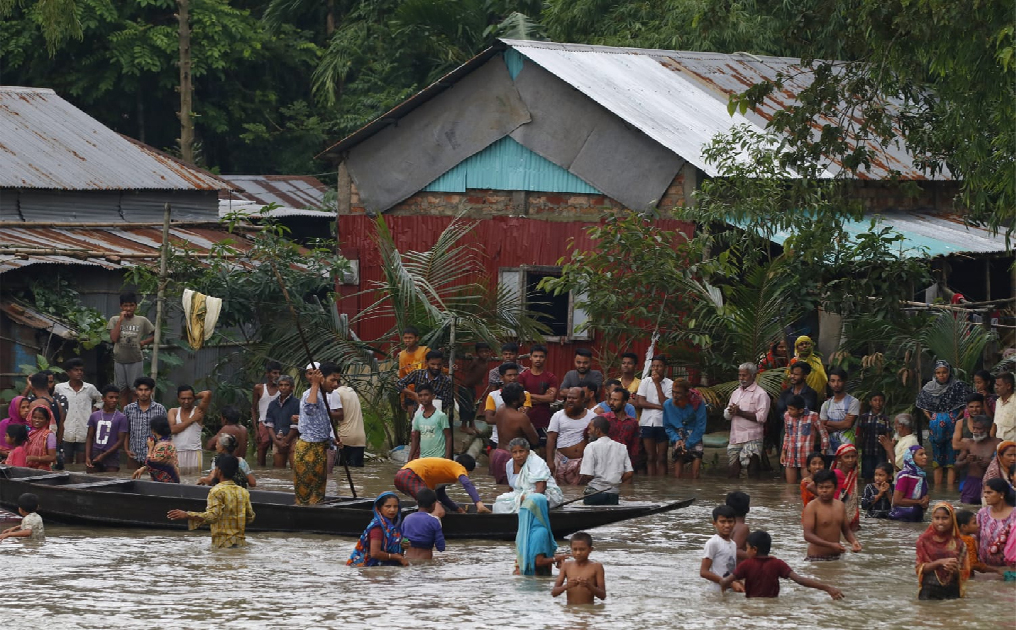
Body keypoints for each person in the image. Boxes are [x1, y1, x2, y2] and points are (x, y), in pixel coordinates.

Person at [719, 530, 843, 599]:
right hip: (773, 605)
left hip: (752, 606)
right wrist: (827, 588)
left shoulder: (746, 564)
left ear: (754, 549)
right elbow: (800, 580)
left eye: (747, 548)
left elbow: (725, 581)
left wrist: (723, 594)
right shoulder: (777, 563)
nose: (746, 551)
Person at [167, 454, 255, 548]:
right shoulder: (243, 492)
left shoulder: (216, 491)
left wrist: (187, 515)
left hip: (223, 544)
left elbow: (212, 516)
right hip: (240, 544)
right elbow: (250, 517)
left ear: (219, 471)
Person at [918, 360, 976, 487]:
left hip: (953, 428)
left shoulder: (958, 386)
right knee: (937, 460)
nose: (942, 375)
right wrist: (931, 418)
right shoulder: (929, 387)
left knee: (952, 459)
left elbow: (966, 404)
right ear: (935, 374)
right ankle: (938, 490)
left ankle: (949, 490)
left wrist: (956, 418)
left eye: (944, 372)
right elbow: (922, 404)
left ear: (949, 372)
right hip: (935, 430)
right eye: (938, 373)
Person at [294, 363, 341, 506]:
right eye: (332, 380)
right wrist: (315, 384)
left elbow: (319, 424)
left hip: (321, 448)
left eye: (337, 381)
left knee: (318, 494)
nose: (336, 385)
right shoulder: (310, 394)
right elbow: (310, 409)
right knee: (304, 495)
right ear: (322, 379)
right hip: (308, 450)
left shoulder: (324, 395)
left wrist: (332, 440)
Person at [394, 454, 490, 514]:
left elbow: (441, 496)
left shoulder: (445, 470)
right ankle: (422, 532)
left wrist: (457, 509)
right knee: (439, 511)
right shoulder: (458, 466)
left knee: (428, 506)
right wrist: (479, 504)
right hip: (410, 476)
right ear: (467, 470)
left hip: (402, 476)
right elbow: (466, 483)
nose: (466, 475)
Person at [107, 291, 155, 406]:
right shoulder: (114, 320)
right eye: (125, 306)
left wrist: (144, 342)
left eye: (131, 305)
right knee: (122, 391)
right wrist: (120, 320)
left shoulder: (142, 320)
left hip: (136, 360)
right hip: (120, 360)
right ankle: (124, 416)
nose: (128, 308)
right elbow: (114, 338)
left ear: (136, 306)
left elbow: (155, 334)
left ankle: (134, 414)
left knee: (135, 390)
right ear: (121, 306)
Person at [802, 469, 862, 560]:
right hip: (816, 558)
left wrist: (854, 542)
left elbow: (846, 530)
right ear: (816, 488)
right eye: (821, 487)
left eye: (828, 487)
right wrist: (831, 545)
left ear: (836, 487)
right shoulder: (812, 507)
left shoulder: (840, 506)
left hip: (836, 557)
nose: (824, 491)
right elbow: (807, 535)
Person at [492, 437, 564, 513]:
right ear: (511, 453)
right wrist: (517, 498)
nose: (518, 455)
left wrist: (530, 500)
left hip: (544, 494)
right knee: (499, 501)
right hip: (521, 494)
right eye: (515, 452)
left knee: (527, 502)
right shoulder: (509, 465)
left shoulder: (536, 461)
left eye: (521, 451)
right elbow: (512, 488)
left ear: (528, 452)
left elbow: (541, 487)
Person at [724, 362, 770, 479]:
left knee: (752, 471)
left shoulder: (761, 394)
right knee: (733, 472)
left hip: (752, 437)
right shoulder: (736, 393)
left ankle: (753, 495)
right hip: (735, 437)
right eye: (740, 375)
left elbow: (762, 418)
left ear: (754, 375)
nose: (741, 378)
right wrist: (730, 412)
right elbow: (728, 414)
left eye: (745, 375)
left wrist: (740, 412)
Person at [916, 502, 971, 599]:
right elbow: (919, 569)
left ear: (952, 519)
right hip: (929, 591)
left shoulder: (959, 543)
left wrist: (954, 570)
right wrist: (939, 563)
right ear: (932, 519)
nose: (940, 522)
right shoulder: (923, 540)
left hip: (951, 591)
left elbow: (964, 573)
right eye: (937, 518)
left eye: (945, 518)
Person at [54, 358, 102, 465]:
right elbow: (52, 401)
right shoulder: (59, 388)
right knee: (66, 462)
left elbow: (101, 400)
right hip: (66, 431)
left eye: (81, 370)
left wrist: (95, 410)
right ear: (68, 372)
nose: (79, 372)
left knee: (82, 462)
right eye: (76, 370)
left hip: (84, 430)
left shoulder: (89, 388)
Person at [490, 383, 539, 484]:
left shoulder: (501, 409)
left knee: (501, 490)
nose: (525, 398)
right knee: (515, 490)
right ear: (514, 401)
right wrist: (527, 420)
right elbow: (535, 440)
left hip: (498, 454)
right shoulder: (521, 418)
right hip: (512, 458)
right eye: (522, 396)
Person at [579, 416, 633, 505]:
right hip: (613, 494)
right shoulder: (621, 447)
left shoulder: (591, 447)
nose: (588, 432)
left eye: (590, 429)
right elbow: (629, 473)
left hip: (595, 493)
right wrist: (614, 481)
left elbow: (588, 475)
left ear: (598, 430)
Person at [547, 387, 596, 485]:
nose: (570, 400)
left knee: (580, 491)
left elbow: (596, 440)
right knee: (562, 491)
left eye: (574, 398)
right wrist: (550, 462)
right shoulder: (558, 416)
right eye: (568, 398)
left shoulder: (592, 417)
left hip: (583, 462)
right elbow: (551, 439)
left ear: (582, 399)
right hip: (561, 461)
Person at [347, 492, 408, 567]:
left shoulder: (395, 527)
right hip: (371, 568)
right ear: (379, 508)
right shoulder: (377, 528)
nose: (392, 510)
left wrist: (402, 546)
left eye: (395, 506)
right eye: (388, 506)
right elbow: (375, 553)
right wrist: (398, 557)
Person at [636, 356, 673, 477]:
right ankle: (651, 484)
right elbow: (640, 402)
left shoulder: (669, 384)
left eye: (659, 366)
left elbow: (665, 404)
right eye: (654, 366)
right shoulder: (645, 382)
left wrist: (657, 384)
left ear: (665, 368)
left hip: (663, 423)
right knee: (650, 456)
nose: (656, 369)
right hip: (647, 423)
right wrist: (658, 407)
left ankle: (662, 483)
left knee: (662, 457)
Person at [663, 379, 708, 479]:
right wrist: (677, 439)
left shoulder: (698, 404)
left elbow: (700, 427)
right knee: (677, 475)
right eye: (673, 392)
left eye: (678, 393)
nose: (675, 395)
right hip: (678, 436)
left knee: (695, 474)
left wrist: (687, 444)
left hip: (694, 436)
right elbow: (668, 426)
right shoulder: (667, 405)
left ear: (687, 393)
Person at [780, 395, 830, 485]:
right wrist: (783, 452)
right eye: (788, 408)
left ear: (801, 410)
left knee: (807, 486)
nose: (789, 411)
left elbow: (824, 434)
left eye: (792, 409)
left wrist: (823, 452)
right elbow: (787, 434)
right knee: (790, 487)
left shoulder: (813, 416)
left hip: (806, 455)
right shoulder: (787, 416)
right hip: (791, 454)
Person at [484, 363, 534, 450]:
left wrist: (502, 418)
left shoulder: (525, 394)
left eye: (515, 375)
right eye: (509, 375)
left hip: (519, 444)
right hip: (497, 440)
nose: (513, 378)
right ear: (502, 378)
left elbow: (524, 414)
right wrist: (513, 418)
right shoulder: (493, 395)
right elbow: (488, 419)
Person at [515, 493, 567, 576]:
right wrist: (556, 558)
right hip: (537, 578)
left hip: (524, 574)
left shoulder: (523, 531)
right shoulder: (541, 531)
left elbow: (529, 555)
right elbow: (539, 561)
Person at [123, 377, 167, 471]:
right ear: (136, 391)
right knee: (132, 480)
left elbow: (164, 433)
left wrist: (160, 452)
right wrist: (126, 449)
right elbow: (126, 431)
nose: (143, 393)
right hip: (134, 454)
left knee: (152, 482)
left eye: (146, 390)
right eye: (140, 390)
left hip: (154, 455)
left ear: (151, 391)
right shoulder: (128, 409)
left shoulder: (160, 409)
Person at [955, 416, 1001, 504]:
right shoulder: (969, 444)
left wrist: (991, 463)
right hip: (972, 484)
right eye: (974, 428)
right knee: (967, 509)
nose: (975, 431)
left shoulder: (997, 443)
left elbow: (1006, 464)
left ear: (987, 429)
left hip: (991, 483)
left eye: (979, 429)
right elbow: (956, 465)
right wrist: (966, 461)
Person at [552, 532, 607, 604]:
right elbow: (554, 593)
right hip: (570, 610)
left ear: (590, 549)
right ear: (571, 549)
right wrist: (567, 586)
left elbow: (602, 596)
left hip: (588, 611)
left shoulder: (597, 567)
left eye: (582, 549)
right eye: (575, 549)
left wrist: (589, 585)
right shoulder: (566, 566)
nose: (578, 553)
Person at [976, 477, 1016, 575]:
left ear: (1001, 494)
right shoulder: (982, 513)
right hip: (985, 569)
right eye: (985, 492)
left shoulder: (1014, 515)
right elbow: (976, 538)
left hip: (1009, 570)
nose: (985, 496)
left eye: (990, 493)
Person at [84, 385, 128, 473]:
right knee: (91, 480)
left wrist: (104, 455)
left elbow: (120, 441)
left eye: (116, 398)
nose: (114, 400)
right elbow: (89, 437)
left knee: (111, 481)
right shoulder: (95, 415)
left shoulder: (121, 417)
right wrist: (88, 457)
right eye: (111, 397)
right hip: (95, 452)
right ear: (103, 398)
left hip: (112, 455)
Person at [398, 350, 454, 418]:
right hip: (417, 417)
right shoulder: (418, 374)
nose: (436, 367)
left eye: (439, 364)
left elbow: (447, 401)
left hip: (436, 419)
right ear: (426, 363)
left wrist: (428, 399)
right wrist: (414, 394)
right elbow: (399, 383)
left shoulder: (446, 381)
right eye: (433, 364)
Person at [169, 386, 211, 473]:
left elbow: (207, 394)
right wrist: (192, 419)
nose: (186, 401)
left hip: (194, 452)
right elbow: (172, 430)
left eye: (189, 398)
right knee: (176, 481)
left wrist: (195, 396)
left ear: (193, 398)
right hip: (177, 452)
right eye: (183, 398)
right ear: (178, 399)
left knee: (194, 480)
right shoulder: (173, 411)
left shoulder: (198, 410)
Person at [819, 367, 859, 461]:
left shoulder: (853, 402)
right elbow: (822, 427)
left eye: (839, 380)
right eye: (833, 381)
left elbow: (848, 424)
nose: (836, 384)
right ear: (829, 383)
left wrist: (828, 422)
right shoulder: (826, 404)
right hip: (830, 449)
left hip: (847, 448)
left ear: (844, 382)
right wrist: (842, 423)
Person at [598, 386, 640, 468]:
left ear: (624, 402)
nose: (611, 402)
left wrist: (631, 466)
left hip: (624, 464)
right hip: (603, 463)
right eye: (611, 399)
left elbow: (635, 447)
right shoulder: (603, 419)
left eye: (616, 400)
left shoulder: (632, 422)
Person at [700, 505, 739, 592]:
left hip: (730, 591)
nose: (727, 525)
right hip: (716, 591)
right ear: (714, 523)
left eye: (730, 521)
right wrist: (728, 582)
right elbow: (703, 572)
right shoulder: (713, 543)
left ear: (735, 522)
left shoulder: (733, 544)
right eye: (722, 522)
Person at [263, 375, 299, 468]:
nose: (283, 387)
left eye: (286, 385)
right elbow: (269, 424)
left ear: (292, 387)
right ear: (278, 387)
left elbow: (296, 426)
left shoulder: (297, 403)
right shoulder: (273, 404)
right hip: (277, 439)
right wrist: (276, 441)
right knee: (279, 473)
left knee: (295, 470)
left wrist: (285, 442)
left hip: (293, 439)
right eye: (281, 385)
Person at [131, 415, 179, 483]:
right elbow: (159, 461)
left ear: (153, 430)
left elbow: (151, 463)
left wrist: (150, 448)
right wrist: (143, 468)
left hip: (167, 484)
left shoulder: (162, 445)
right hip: (172, 481)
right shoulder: (169, 442)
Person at [409, 383, 452, 461]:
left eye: (426, 395)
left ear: (433, 396)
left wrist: (447, 458)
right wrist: (410, 458)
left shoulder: (441, 416)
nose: (423, 398)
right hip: (423, 458)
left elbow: (448, 437)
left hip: (439, 458)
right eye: (420, 395)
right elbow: (416, 438)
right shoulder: (418, 417)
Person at [457, 342, 493, 432]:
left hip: (472, 387)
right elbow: (466, 370)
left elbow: (478, 374)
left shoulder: (486, 362)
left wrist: (480, 380)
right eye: (481, 352)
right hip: (465, 387)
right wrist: (467, 358)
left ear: (489, 352)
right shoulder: (475, 361)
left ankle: (472, 424)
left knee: (473, 407)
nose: (484, 354)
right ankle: (464, 426)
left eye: (486, 351)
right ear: (477, 353)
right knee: (466, 407)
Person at [856, 392, 891, 483]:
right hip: (867, 450)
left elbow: (887, 436)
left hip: (880, 451)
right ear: (870, 402)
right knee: (867, 474)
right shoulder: (864, 417)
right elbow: (860, 434)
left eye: (880, 400)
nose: (878, 403)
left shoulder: (885, 418)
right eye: (875, 400)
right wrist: (856, 448)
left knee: (881, 474)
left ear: (883, 403)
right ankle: (868, 493)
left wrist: (889, 452)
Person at [401, 488, 445, 560]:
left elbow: (402, 540)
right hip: (425, 561)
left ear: (417, 502)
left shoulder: (407, 518)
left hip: (407, 559)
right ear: (434, 504)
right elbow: (441, 547)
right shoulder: (434, 521)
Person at [889, 446, 931, 522]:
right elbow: (897, 501)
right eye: (921, 454)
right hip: (901, 518)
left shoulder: (921, 476)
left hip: (916, 518)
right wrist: (918, 502)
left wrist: (926, 500)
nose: (925, 457)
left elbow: (923, 501)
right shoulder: (905, 475)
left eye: (925, 454)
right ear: (911, 458)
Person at [252, 360, 282, 466]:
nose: (277, 376)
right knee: (261, 457)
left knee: (278, 457)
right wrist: (256, 431)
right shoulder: (259, 388)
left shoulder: (282, 389)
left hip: (278, 426)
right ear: (267, 374)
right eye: (274, 373)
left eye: (278, 373)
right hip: (263, 425)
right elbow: (253, 409)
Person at [333, 376, 367, 467]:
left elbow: (340, 416)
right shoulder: (351, 391)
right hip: (360, 438)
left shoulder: (336, 393)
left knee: (341, 473)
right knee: (357, 473)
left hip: (345, 437)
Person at [26, 372, 65, 450]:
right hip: (53, 445)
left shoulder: (35, 404)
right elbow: (61, 427)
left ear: (32, 388)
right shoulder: (57, 403)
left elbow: (29, 426)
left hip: (39, 446)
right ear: (47, 386)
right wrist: (56, 445)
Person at [832, 444, 861, 531]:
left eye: (853, 457)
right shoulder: (835, 473)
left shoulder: (853, 473)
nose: (850, 460)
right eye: (847, 457)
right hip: (836, 510)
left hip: (850, 512)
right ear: (839, 459)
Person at [955, 509, 989, 575]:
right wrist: (996, 570)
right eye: (974, 523)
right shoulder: (969, 540)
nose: (978, 525)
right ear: (964, 527)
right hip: (967, 576)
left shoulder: (954, 539)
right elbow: (973, 565)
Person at [25, 406, 57, 471]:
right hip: (27, 468)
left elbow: (52, 457)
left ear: (47, 421)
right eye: (34, 417)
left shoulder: (49, 435)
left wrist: (34, 458)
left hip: (42, 470)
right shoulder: (29, 433)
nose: (37, 420)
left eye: (41, 418)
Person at [727, 491, 751, 561]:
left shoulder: (725, 526)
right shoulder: (743, 528)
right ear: (748, 509)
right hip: (736, 569)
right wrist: (755, 555)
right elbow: (735, 550)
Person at [993, 373, 1015, 442]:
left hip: (1012, 447)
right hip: (998, 446)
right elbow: (996, 424)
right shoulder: (998, 402)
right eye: (996, 384)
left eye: (999, 385)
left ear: (1008, 386)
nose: (996, 387)